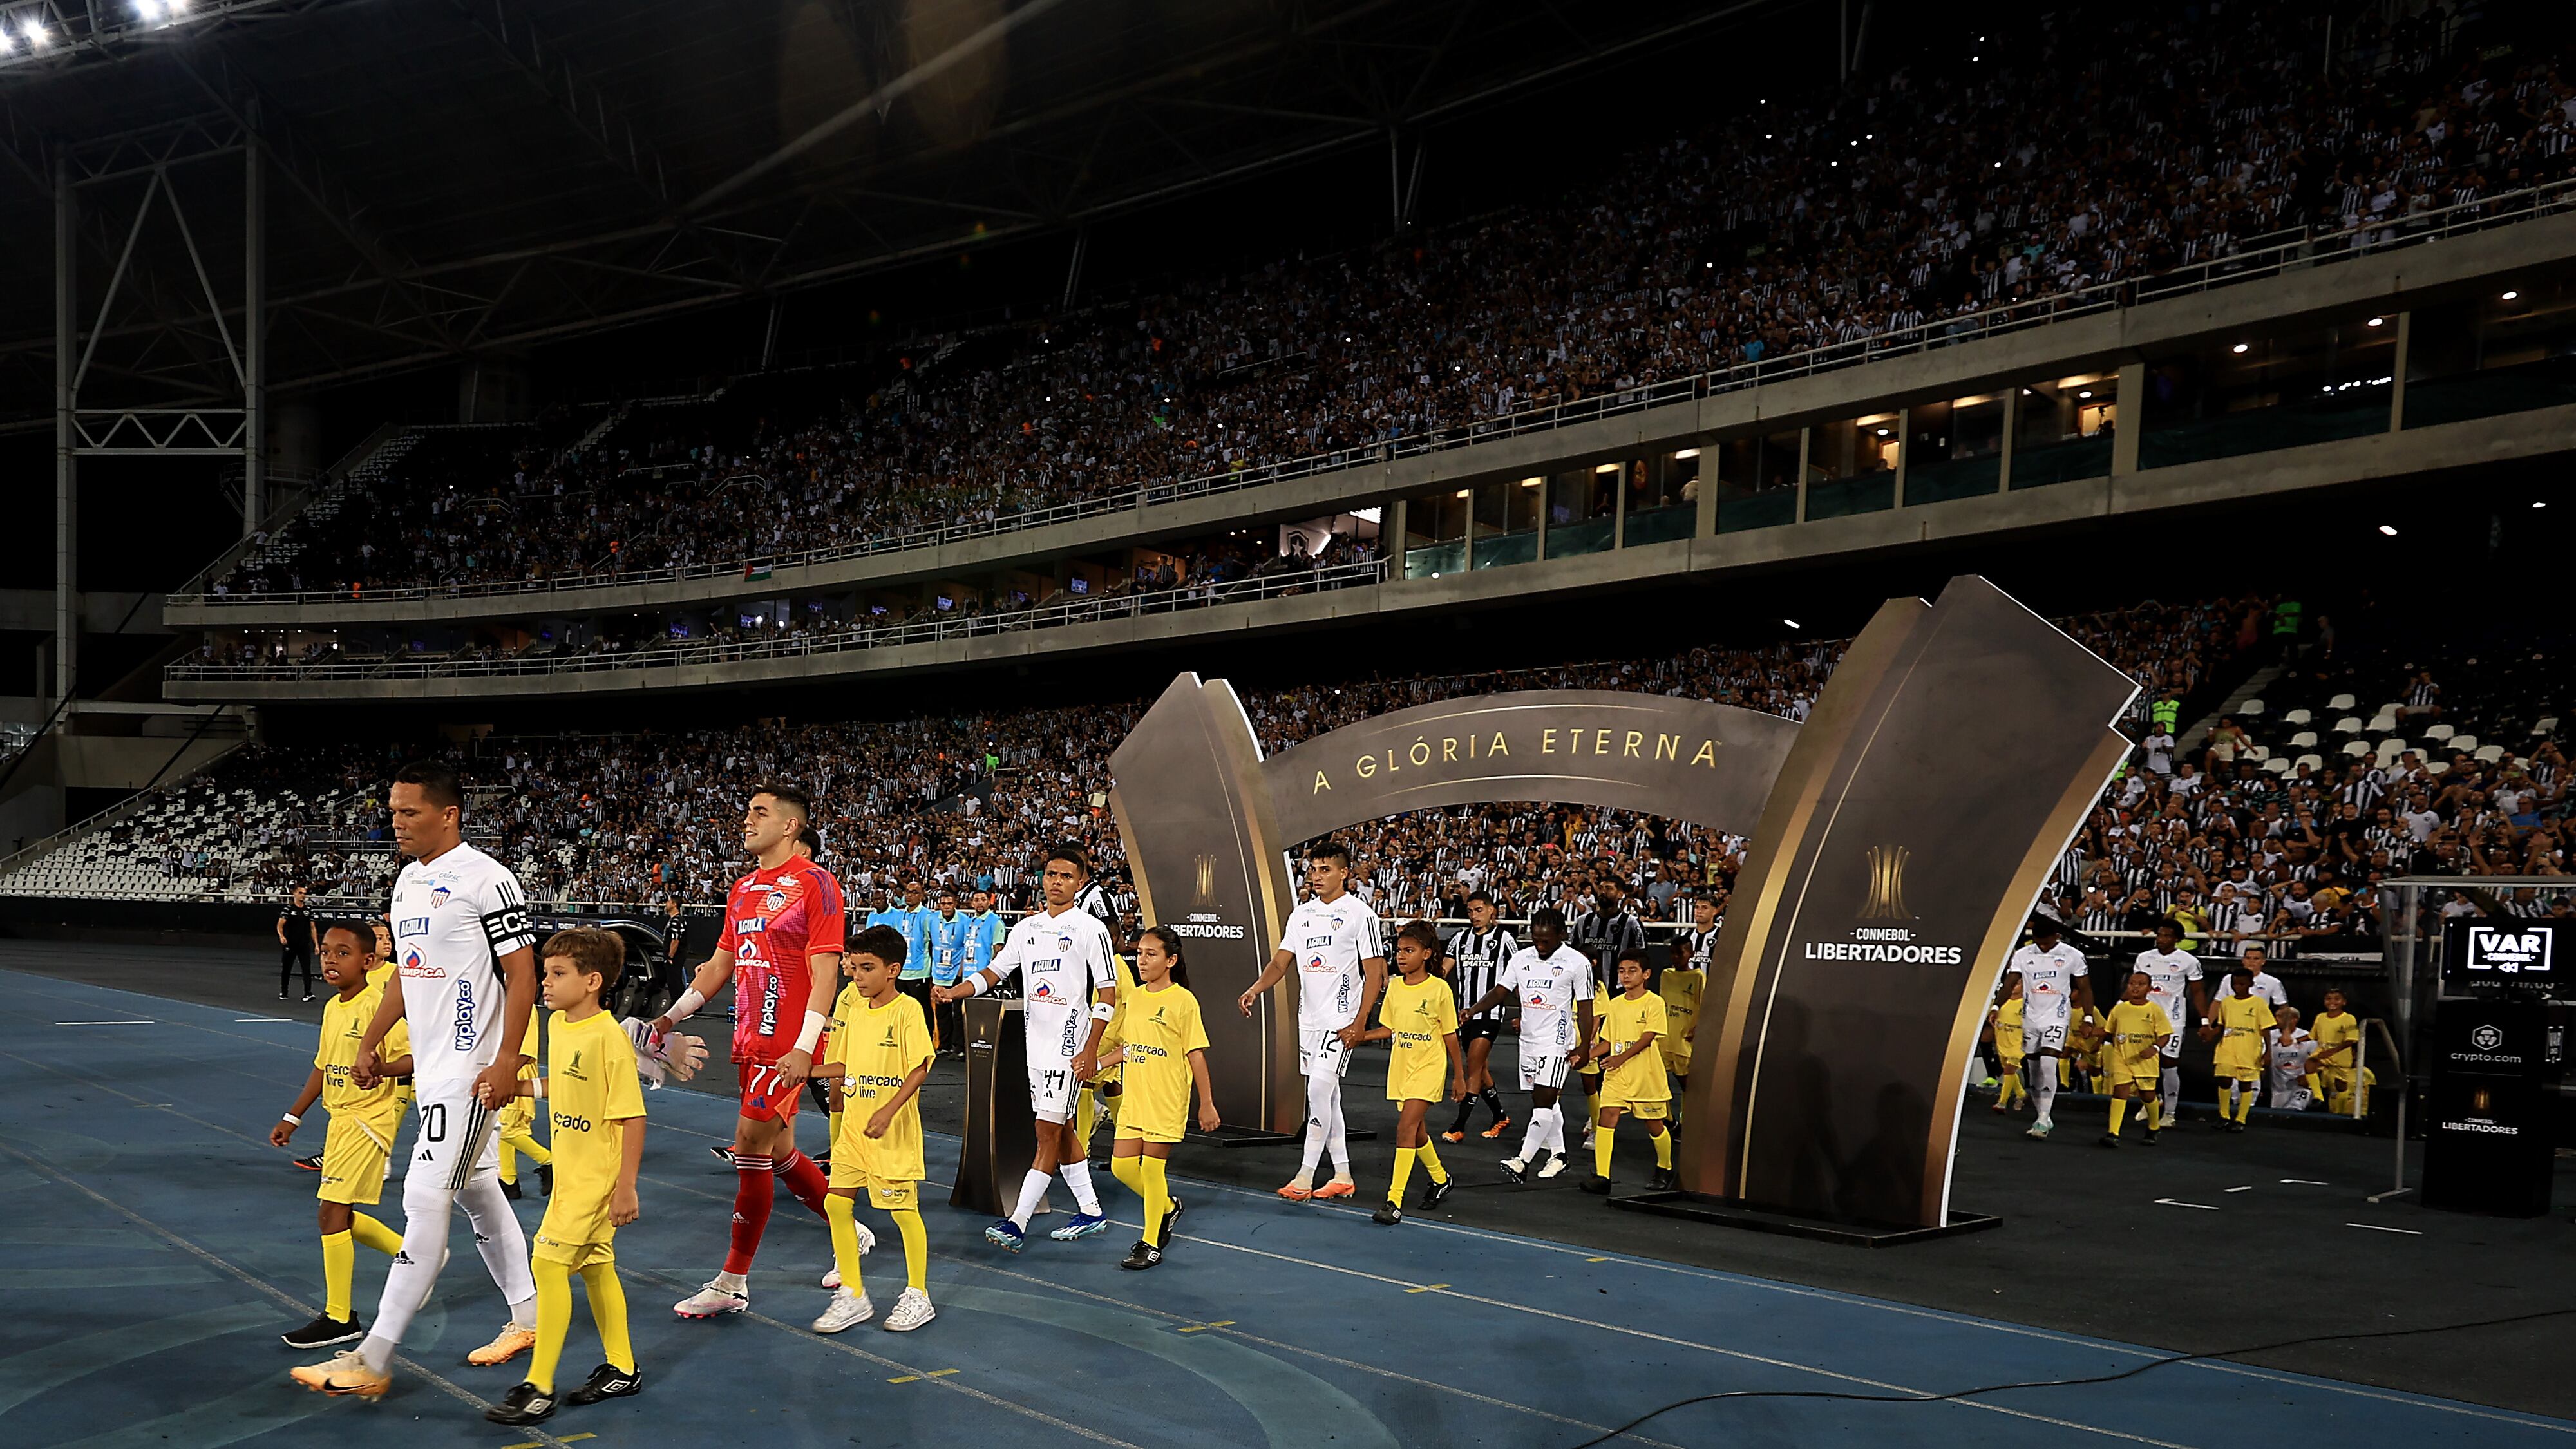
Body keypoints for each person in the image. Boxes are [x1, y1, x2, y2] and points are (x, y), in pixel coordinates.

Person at [291, 761, 544, 1398]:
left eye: (409, 812)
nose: (396, 822)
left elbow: (523, 975)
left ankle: (373, 1358)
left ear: (448, 815)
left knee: (423, 1200)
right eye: (393, 811)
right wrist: (372, 1039)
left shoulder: (488, 880)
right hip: (431, 1071)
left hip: (470, 1075)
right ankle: (530, 1317)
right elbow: (406, 974)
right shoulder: (406, 882)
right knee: (480, 1192)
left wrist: (507, 1058)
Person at [654, 784, 846, 1320]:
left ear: (790, 826)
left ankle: (733, 1281)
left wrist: (807, 1047)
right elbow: (718, 967)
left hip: (789, 1043)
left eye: (759, 813)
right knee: (780, 1152)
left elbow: (824, 973)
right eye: (747, 812)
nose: (747, 821)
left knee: (748, 1148)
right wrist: (668, 1017)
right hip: (748, 1040)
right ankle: (847, 1229)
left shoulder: (818, 886)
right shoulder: (741, 890)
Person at [484, 928, 648, 1426]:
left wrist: (625, 1186)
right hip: (574, 1172)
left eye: (558, 974)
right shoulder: (562, 1025)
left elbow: (632, 1116)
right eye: (545, 973)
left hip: (595, 1179)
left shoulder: (608, 1038)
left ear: (593, 981)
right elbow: (571, 1085)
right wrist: (520, 1088)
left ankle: (539, 1385)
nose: (546, 984)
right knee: (597, 1267)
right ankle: (622, 1367)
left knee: (550, 1266)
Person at [934, 842, 1120, 1250]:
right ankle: (1090, 1211)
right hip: (1035, 1045)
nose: (1057, 882)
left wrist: (1090, 1050)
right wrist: (955, 993)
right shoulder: (1026, 929)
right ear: (1043, 878)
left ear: (1080, 882)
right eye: (1052, 874)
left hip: (1068, 1048)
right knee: (1062, 1128)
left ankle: (1017, 1222)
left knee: (1046, 1133)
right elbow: (993, 973)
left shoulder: (1090, 929)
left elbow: (1108, 991)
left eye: (1066, 876)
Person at [273, 922, 413, 1350]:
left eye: (343, 953)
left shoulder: (381, 1006)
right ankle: (415, 1256)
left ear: (369, 962)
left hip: (368, 1119)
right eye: (327, 952)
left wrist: (382, 1070)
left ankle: (340, 1317)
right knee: (338, 1216)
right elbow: (322, 1066)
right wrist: (293, 1117)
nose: (331, 960)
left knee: (331, 1214)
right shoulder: (334, 1008)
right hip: (341, 1120)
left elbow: (415, 1058)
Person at [1236, 840, 1386, 1202]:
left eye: (1325, 870)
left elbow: (1375, 974)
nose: (1316, 876)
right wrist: (1256, 989)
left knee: (1318, 1091)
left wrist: (1360, 1022)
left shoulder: (1360, 915)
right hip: (1310, 1022)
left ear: (1344, 873)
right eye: (1313, 869)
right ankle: (1343, 1174)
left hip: (1341, 1022)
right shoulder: (1301, 915)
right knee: (1328, 1100)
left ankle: (1304, 1176)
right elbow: (1280, 963)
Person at [811, 924, 938, 1334]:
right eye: (854, 966)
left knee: (903, 1211)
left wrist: (888, 1111)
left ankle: (918, 1294)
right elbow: (845, 1065)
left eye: (866, 968)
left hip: (891, 1132)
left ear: (893, 970)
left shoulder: (907, 1011)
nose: (856, 975)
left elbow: (919, 1067)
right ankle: (853, 1292)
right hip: (854, 1129)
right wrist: (806, 1070)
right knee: (836, 1204)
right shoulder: (857, 1010)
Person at [1103, 925, 1218, 1269]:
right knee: (1121, 1167)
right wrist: (1096, 1062)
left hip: (1166, 1098)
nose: (1142, 960)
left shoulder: (1183, 1001)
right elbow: (1129, 1047)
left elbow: (1196, 1054)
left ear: (1170, 960)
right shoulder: (1135, 997)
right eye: (1140, 953)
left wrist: (1207, 1102)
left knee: (1153, 1171)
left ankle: (1150, 1242)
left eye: (1151, 954)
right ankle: (1168, 1208)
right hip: (1135, 1096)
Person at [1463, 907, 1594, 1183]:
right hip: (1529, 1041)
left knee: (1543, 1101)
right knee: (1545, 1100)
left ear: (1562, 935)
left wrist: (1583, 1047)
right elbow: (1501, 991)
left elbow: (1585, 1007)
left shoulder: (1576, 962)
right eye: (1536, 939)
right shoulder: (1521, 958)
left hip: (1557, 1043)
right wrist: (1473, 1010)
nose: (1540, 945)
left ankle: (1522, 1161)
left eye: (1546, 940)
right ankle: (1559, 1155)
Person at [1364, 920, 1464, 1226]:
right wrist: (1358, 1036)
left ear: (1427, 954)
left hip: (1429, 1067)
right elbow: (1387, 1028)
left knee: (1405, 1130)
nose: (1402, 956)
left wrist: (1460, 1075)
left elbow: (1450, 1034)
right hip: (1401, 1067)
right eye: (1399, 951)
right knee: (1417, 1132)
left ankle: (1394, 1200)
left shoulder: (1439, 990)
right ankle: (1441, 1177)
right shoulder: (1394, 987)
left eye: (1410, 950)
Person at [1582, 948, 1674, 1194]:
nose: (1625, 976)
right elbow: (1608, 1041)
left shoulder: (1655, 1002)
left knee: (1655, 1126)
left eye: (1632, 971)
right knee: (1607, 1118)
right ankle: (1603, 1177)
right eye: (1622, 971)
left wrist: (1619, 1058)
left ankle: (1664, 1167)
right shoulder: (1615, 1003)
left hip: (1646, 1076)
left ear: (1646, 974)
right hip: (1617, 1076)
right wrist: (1584, 1056)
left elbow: (1648, 1038)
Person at [1567, 876, 1646, 1148]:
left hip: (1618, 998)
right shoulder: (1582, 923)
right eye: (1601, 887)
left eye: (1610, 888)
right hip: (1589, 999)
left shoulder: (1632, 924)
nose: (1604, 891)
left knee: (1610, 1056)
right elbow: (1570, 957)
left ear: (1621, 894)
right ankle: (1598, 1115)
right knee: (1591, 1059)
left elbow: (1641, 959)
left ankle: (1612, 1113)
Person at [1438, 891, 1517, 1143]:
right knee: (1481, 1070)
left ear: (1492, 910)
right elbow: (1443, 971)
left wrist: (1525, 1010)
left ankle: (1458, 1127)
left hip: (1490, 1014)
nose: (1474, 916)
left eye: (1479, 910)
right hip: (1462, 1014)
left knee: (1473, 1066)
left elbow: (1519, 976)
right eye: (1470, 911)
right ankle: (1500, 1116)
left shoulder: (1505, 940)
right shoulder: (1459, 939)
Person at [2003, 916, 2090, 1140]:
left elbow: (2085, 988)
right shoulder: (2023, 955)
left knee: (2049, 1062)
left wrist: (2088, 1018)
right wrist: (1995, 1005)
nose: (2042, 946)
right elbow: (2010, 982)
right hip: (2031, 1018)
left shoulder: (2072, 955)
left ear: (2056, 936)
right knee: (2034, 1070)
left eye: (2046, 942)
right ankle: (2043, 1114)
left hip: (2057, 1017)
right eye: (2039, 942)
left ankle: (2043, 1118)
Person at [2131, 921, 2206, 1139]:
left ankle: (2171, 1113)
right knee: (2145, 1064)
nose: (2161, 939)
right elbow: (2135, 986)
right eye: (2160, 934)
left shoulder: (2188, 961)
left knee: (2168, 1063)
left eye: (2167, 935)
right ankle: (2150, 1103)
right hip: (2146, 1018)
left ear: (2178, 939)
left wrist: (2204, 1021)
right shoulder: (2144, 958)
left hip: (2173, 1020)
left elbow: (2198, 992)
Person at [2092, 971, 2174, 1148]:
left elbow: (2165, 1035)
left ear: (2149, 988)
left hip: (2144, 1059)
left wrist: (2155, 1048)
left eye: (2140, 984)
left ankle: (2154, 1127)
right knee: (2120, 1090)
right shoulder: (2119, 1009)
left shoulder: (2154, 1010)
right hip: (2122, 1056)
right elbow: (2109, 1032)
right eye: (2132, 984)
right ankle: (2113, 1133)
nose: (2135, 987)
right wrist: (2093, 1032)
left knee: (2147, 1095)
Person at [1660, 896, 1719, 1124]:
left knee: (1694, 1077)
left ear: (1715, 911)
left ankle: (1692, 1120)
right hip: (1671, 1030)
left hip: (1700, 1016)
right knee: (1659, 1076)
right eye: (1697, 907)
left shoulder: (1720, 938)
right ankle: (1670, 1120)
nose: (1699, 911)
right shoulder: (1685, 940)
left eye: (1705, 907)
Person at [2201, 966, 2277, 1132]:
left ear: (2250, 983)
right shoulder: (2227, 1002)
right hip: (2227, 1047)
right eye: (2235, 984)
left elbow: (2266, 1029)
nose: (2238, 987)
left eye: (2242, 984)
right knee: (2224, 1079)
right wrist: (2211, 1035)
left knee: (2245, 1084)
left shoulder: (2258, 1004)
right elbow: (2222, 1026)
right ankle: (2224, 1115)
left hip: (2249, 1049)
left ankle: (2241, 1119)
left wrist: (2268, 1052)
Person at [496, 1012, 554, 1202]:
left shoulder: (525, 1008)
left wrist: (502, 1073)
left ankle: (548, 1161)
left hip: (517, 1074)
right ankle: (509, 1181)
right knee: (506, 1128)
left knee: (506, 1129)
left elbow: (525, 1053)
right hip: (509, 1071)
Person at [925, 889, 972, 1051]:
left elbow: (968, 948)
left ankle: (958, 1046)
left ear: (956, 904)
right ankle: (943, 1046)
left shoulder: (965, 921)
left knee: (957, 1013)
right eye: (943, 904)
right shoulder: (931, 919)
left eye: (950, 903)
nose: (946, 907)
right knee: (941, 1012)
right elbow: (928, 944)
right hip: (938, 972)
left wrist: (961, 972)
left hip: (956, 972)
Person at [2307, 989, 2362, 1113]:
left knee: (2340, 1088)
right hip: (2323, 1055)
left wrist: (2332, 1052)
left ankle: (2341, 1112)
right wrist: (2296, 1040)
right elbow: (2312, 1035)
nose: (2332, 1002)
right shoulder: (2320, 1017)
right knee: (2310, 1064)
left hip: (2340, 1058)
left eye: (2337, 999)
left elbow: (2351, 1040)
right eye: (2329, 999)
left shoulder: (2349, 1018)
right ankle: (2318, 1096)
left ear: (2344, 1002)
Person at [1986, 973, 2028, 1113]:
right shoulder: (2000, 1003)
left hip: (2019, 1042)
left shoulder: (2027, 1004)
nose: (2015, 986)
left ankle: (2002, 1102)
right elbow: (1989, 1016)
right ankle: (2021, 1094)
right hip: (2002, 1039)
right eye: (2013, 984)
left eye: (2018, 984)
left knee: (2009, 1069)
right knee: (2008, 1070)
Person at [2266, 1005, 2316, 1111]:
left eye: (2281, 1016)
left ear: (2294, 1019)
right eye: (2276, 1016)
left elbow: (2319, 1061)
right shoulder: (2269, 1037)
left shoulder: (2308, 1038)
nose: (2276, 1020)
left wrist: (2309, 1077)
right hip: (2278, 1089)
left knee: (2293, 1110)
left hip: (2301, 1087)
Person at [278, 884, 319, 1002]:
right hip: (290, 943)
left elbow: (313, 928)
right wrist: (282, 936)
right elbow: (280, 925)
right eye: (301, 893)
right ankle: (284, 992)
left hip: (304, 944)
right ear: (295, 894)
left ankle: (308, 993)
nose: (303, 896)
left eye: (305, 893)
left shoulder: (308, 910)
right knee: (287, 968)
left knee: (306, 969)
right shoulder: (288, 909)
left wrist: (316, 944)